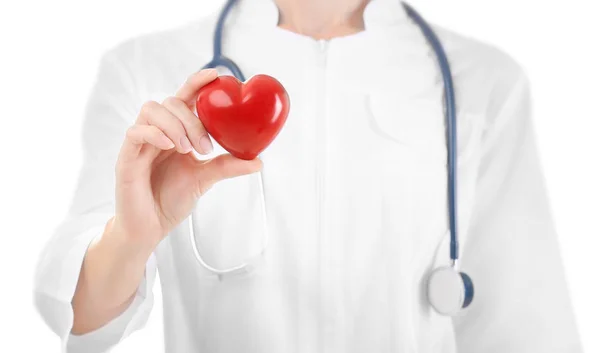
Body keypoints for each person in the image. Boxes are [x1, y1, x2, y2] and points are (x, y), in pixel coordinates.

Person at [34, 0, 582, 352]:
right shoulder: (149, 69)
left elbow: (527, 328)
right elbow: (81, 316)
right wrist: (132, 238)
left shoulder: (481, 83)